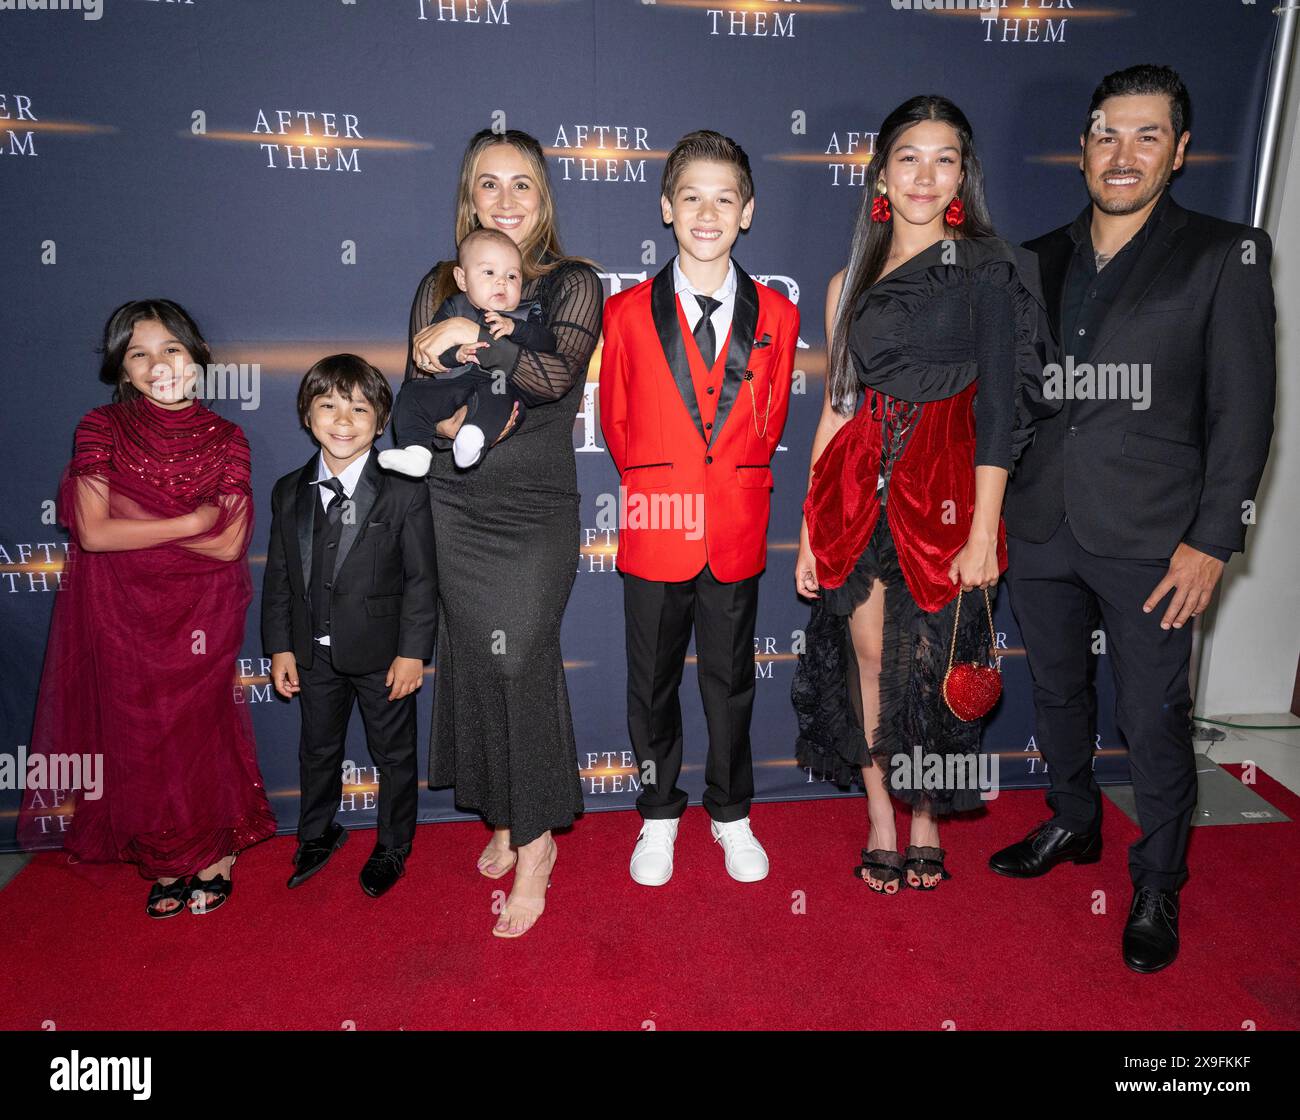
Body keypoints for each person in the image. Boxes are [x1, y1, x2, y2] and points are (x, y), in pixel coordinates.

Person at [991, 65, 1276, 973]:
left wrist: (1213, 540)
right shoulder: (1033, 258)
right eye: (1107, 134)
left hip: (1158, 538)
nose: (1123, 153)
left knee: (1154, 714)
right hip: (1041, 525)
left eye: (1147, 135)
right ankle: (1073, 822)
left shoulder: (1225, 253)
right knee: (1061, 693)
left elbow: (1245, 411)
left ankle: (1158, 880)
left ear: (1180, 151)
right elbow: (1017, 402)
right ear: (1082, 149)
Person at [792, 96, 1057, 894]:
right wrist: (810, 526)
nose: (925, 174)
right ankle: (880, 816)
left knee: (928, 667)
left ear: (962, 175)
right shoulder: (850, 279)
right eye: (909, 156)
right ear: (881, 172)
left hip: (947, 494)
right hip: (857, 494)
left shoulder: (986, 266)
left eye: (944, 158)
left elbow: (1003, 410)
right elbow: (837, 405)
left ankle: (926, 820)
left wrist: (983, 528)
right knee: (869, 657)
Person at [406, 128, 603, 938]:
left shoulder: (572, 283)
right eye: (489, 184)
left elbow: (555, 375)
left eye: (523, 184)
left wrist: (473, 336)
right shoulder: (438, 281)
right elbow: (421, 376)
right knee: (474, 661)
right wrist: (454, 367)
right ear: (469, 198)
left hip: (533, 507)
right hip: (456, 500)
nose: (507, 199)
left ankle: (539, 846)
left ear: (544, 195)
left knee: (519, 659)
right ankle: (503, 812)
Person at [19, 299, 276, 917]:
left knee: (198, 730)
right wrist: (190, 517)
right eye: (139, 353)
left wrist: (143, 522)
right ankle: (165, 857)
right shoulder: (99, 428)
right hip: (121, 610)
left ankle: (213, 849)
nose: (158, 364)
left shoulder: (226, 436)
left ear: (196, 359)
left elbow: (231, 541)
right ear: (121, 369)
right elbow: (93, 532)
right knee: (137, 736)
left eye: (172, 349)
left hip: (202, 610)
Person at [600, 129, 799, 887]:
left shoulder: (778, 315)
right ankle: (657, 814)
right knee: (650, 685)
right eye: (691, 197)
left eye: (724, 199)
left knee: (731, 681)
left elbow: (769, 422)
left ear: (747, 211)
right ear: (666, 208)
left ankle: (730, 812)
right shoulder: (623, 314)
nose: (707, 213)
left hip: (737, 529)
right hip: (656, 530)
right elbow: (618, 423)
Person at [262, 355, 438, 898]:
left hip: (384, 656)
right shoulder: (288, 490)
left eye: (359, 408)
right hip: (312, 654)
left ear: (380, 421)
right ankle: (317, 832)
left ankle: (393, 845)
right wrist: (280, 647)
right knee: (317, 749)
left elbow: (421, 579)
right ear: (307, 415)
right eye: (329, 406)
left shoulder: (402, 488)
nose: (344, 420)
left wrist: (413, 653)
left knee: (394, 755)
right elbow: (280, 577)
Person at [381, 229, 556, 474]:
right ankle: (415, 451)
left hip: (498, 386)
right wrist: (457, 354)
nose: (502, 281)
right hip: (456, 385)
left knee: (496, 397)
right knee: (412, 394)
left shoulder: (525, 313)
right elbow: (433, 358)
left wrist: (515, 328)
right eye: (489, 272)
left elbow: (548, 344)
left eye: (513, 276)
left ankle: (473, 439)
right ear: (462, 279)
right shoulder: (453, 308)